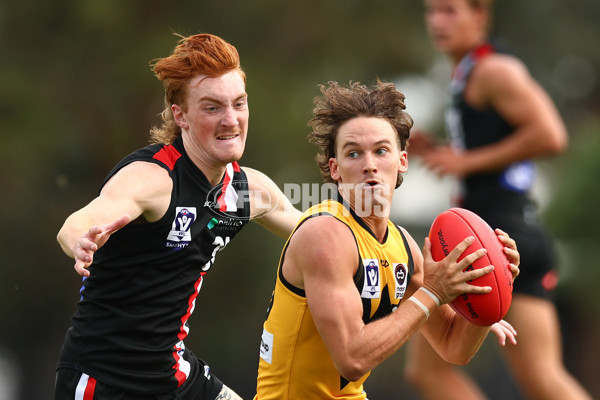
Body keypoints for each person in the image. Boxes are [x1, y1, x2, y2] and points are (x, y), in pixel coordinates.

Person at [54, 33, 302, 400]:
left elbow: (320, 232)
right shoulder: (154, 178)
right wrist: (81, 240)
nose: (231, 120)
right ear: (180, 115)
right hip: (105, 381)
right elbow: (77, 222)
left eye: (239, 104)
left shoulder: (249, 190)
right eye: (213, 107)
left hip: (175, 376)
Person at [254, 80, 520, 400]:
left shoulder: (403, 246)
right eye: (354, 153)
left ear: (402, 161)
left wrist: (488, 286)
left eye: (381, 150)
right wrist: (433, 293)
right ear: (335, 170)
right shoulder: (323, 235)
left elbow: (453, 346)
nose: (369, 165)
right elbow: (352, 359)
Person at [403, 1, 593, 399]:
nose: (437, 21)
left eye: (449, 11)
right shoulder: (466, 73)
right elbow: (489, 153)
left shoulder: (494, 70)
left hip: (496, 240)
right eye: (431, 11)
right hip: (514, 232)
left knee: (431, 371)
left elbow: (551, 134)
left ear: (480, 16)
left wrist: (465, 160)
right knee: (542, 378)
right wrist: (439, 150)